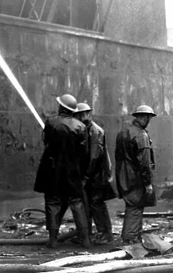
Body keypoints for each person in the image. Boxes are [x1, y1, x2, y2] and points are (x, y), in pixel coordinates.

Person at [33, 94, 91, 248]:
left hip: (53, 171)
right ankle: (85, 240)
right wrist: (84, 175)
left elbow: (47, 142)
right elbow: (84, 155)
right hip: (73, 173)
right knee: (77, 203)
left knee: (53, 203)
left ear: (62, 107)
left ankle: (53, 240)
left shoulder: (51, 122)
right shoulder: (81, 127)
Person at [74, 102, 116, 244]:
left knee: (97, 204)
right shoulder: (85, 129)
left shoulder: (95, 131)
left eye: (81, 114)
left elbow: (94, 156)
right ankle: (89, 234)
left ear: (86, 114)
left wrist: (85, 176)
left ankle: (106, 234)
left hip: (97, 175)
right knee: (89, 203)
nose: (80, 116)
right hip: (92, 174)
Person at [115, 105, 157, 244]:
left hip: (124, 176)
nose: (149, 121)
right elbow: (145, 163)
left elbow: (119, 157)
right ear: (144, 117)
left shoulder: (123, 132)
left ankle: (133, 238)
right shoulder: (141, 136)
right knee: (135, 208)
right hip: (136, 178)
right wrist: (148, 183)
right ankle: (131, 240)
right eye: (148, 118)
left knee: (131, 206)